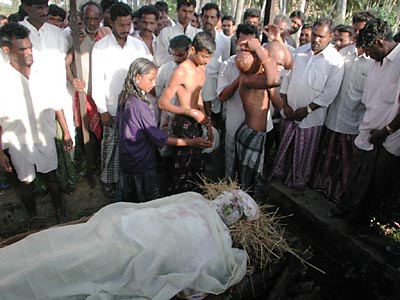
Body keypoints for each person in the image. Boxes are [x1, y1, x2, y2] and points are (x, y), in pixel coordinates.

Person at [0, 190, 258, 300]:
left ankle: (16, 274)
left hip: (124, 232)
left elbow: (155, 207)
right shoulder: (219, 242)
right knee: (78, 270)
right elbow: (200, 277)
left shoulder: (195, 201)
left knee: (70, 250)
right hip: (135, 250)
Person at [328, 18, 400, 225]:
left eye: (369, 50)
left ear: (379, 42)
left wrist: (386, 131)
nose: (366, 55)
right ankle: (347, 209)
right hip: (369, 128)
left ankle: (362, 221)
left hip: (390, 135)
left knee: (377, 182)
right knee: (358, 174)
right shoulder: (377, 62)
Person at [0, 23, 72, 223]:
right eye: (22, 49)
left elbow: (57, 103)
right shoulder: (3, 78)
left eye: (30, 46)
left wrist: (66, 132)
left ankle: (60, 211)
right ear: (7, 50)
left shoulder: (42, 73)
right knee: (26, 182)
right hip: (18, 141)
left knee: (51, 175)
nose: (29, 52)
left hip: (44, 135)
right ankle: (33, 217)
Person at [117, 58, 211, 202]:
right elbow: (161, 138)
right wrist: (191, 142)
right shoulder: (140, 107)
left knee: (131, 196)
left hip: (128, 155)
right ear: (137, 77)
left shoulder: (125, 96)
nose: (154, 84)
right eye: (151, 79)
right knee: (148, 199)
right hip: (141, 159)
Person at [271, 17, 344, 189]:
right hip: (289, 112)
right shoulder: (300, 52)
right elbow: (287, 78)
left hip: (311, 118)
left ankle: (297, 182)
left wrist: (308, 110)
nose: (316, 40)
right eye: (314, 36)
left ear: (331, 37)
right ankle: (278, 178)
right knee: (284, 148)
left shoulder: (335, 61)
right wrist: (286, 104)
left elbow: (329, 93)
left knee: (303, 153)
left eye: (321, 37)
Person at [310, 12, 374, 204]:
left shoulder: (373, 62)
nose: (355, 33)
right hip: (333, 117)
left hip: (354, 123)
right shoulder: (344, 53)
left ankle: (341, 199)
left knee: (347, 166)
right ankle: (322, 191)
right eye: (354, 29)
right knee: (327, 161)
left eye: (360, 30)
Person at [91, 2, 151, 198]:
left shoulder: (138, 45)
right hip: (111, 107)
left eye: (128, 25)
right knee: (110, 147)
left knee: (134, 146)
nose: (126, 30)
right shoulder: (100, 48)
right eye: (122, 26)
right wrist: (102, 110)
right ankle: (108, 181)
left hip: (135, 107)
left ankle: (130, 183)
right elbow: (97, 82)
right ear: (111, 22)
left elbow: (148, 72)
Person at [158, 32, 215, 193]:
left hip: (197, 120)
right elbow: (163, 103)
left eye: (209, 57)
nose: (207, 61)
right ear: (193, 50)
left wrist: (207, 123)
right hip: (182, 122)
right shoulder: (181, 71)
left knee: (197, 168)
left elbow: (198, 96)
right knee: (180, 171)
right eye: (204, 56)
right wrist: (190, 112)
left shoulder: (202, 67)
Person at [234, 32, 289, 194]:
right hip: (253, 134)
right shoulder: (249, 79)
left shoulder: (259, 80)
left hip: (256, 133)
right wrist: (260, 49)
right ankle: (245, 210)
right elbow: (275, 81)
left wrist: (290, 113)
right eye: (273, 63)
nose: (275, 67)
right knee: (249, 178)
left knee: (251, 175)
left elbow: (277, 100)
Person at [66, 1, 111, 174]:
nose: (91, 23)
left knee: (106, 130)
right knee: (88, 132)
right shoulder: (76, 38)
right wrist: (72, 80)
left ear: (101, 18)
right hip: (85, 94)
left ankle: (102, 164)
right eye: (87, 18)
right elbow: (65, 64)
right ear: (82, 19)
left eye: (95, 18)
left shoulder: (107, 35)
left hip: (104, 92)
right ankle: (89, 165)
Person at [200, 2, 230, 128]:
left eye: (212, 17)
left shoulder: (225, 41)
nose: (208, 20)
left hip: (216, 87)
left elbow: (225, 65)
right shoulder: (194, 36)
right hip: (198, 85)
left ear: (218, 20)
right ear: (201, 18)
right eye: (206, 17)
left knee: (215, 122)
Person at [155, 0, 201, 66]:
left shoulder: (198, 34)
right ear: (177, 10)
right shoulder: (166, 33)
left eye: (190, 12)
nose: (187, 15)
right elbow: (161, 59)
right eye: (184, 11)